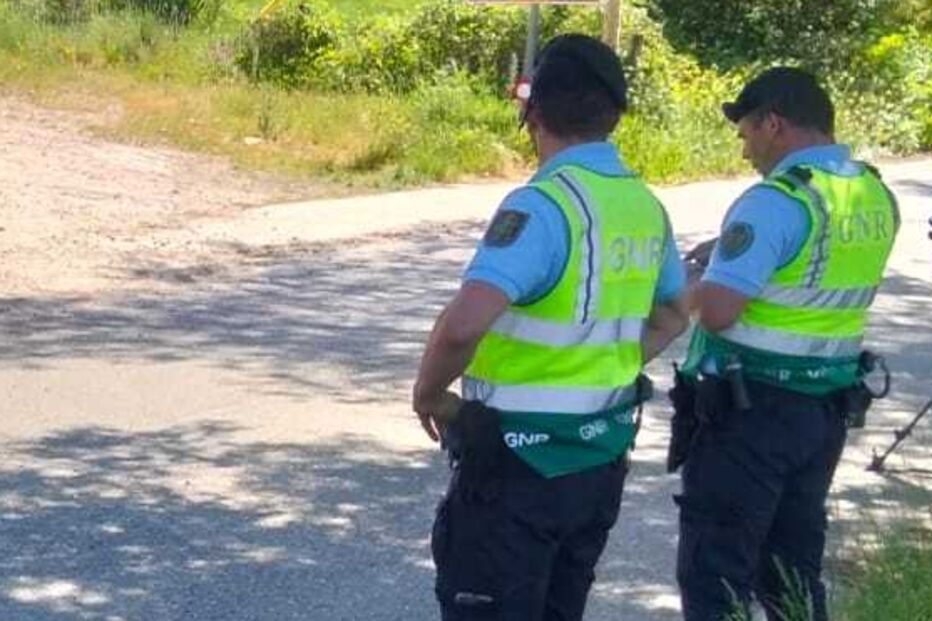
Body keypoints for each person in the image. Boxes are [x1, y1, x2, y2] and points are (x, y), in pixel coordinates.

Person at [412, 33, 689, 621]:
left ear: (532, 115)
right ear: (615, 118)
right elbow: (672, 314)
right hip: (599, 461)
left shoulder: (543, 206)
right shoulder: (645, 207)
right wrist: (605, 363)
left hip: (518, 466)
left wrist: (429, 393)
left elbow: (463, 326)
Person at [672, 67, 900, 620]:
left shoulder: (775, 199)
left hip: (750, 412)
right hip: (825, 409)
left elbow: (719, 313)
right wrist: (732, 257)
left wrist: (689, 280)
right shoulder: (874, 193)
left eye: (746, 133)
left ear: (772, 123)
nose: (744, 150)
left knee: (716, 576)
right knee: (791, 575)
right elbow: (808, 272)